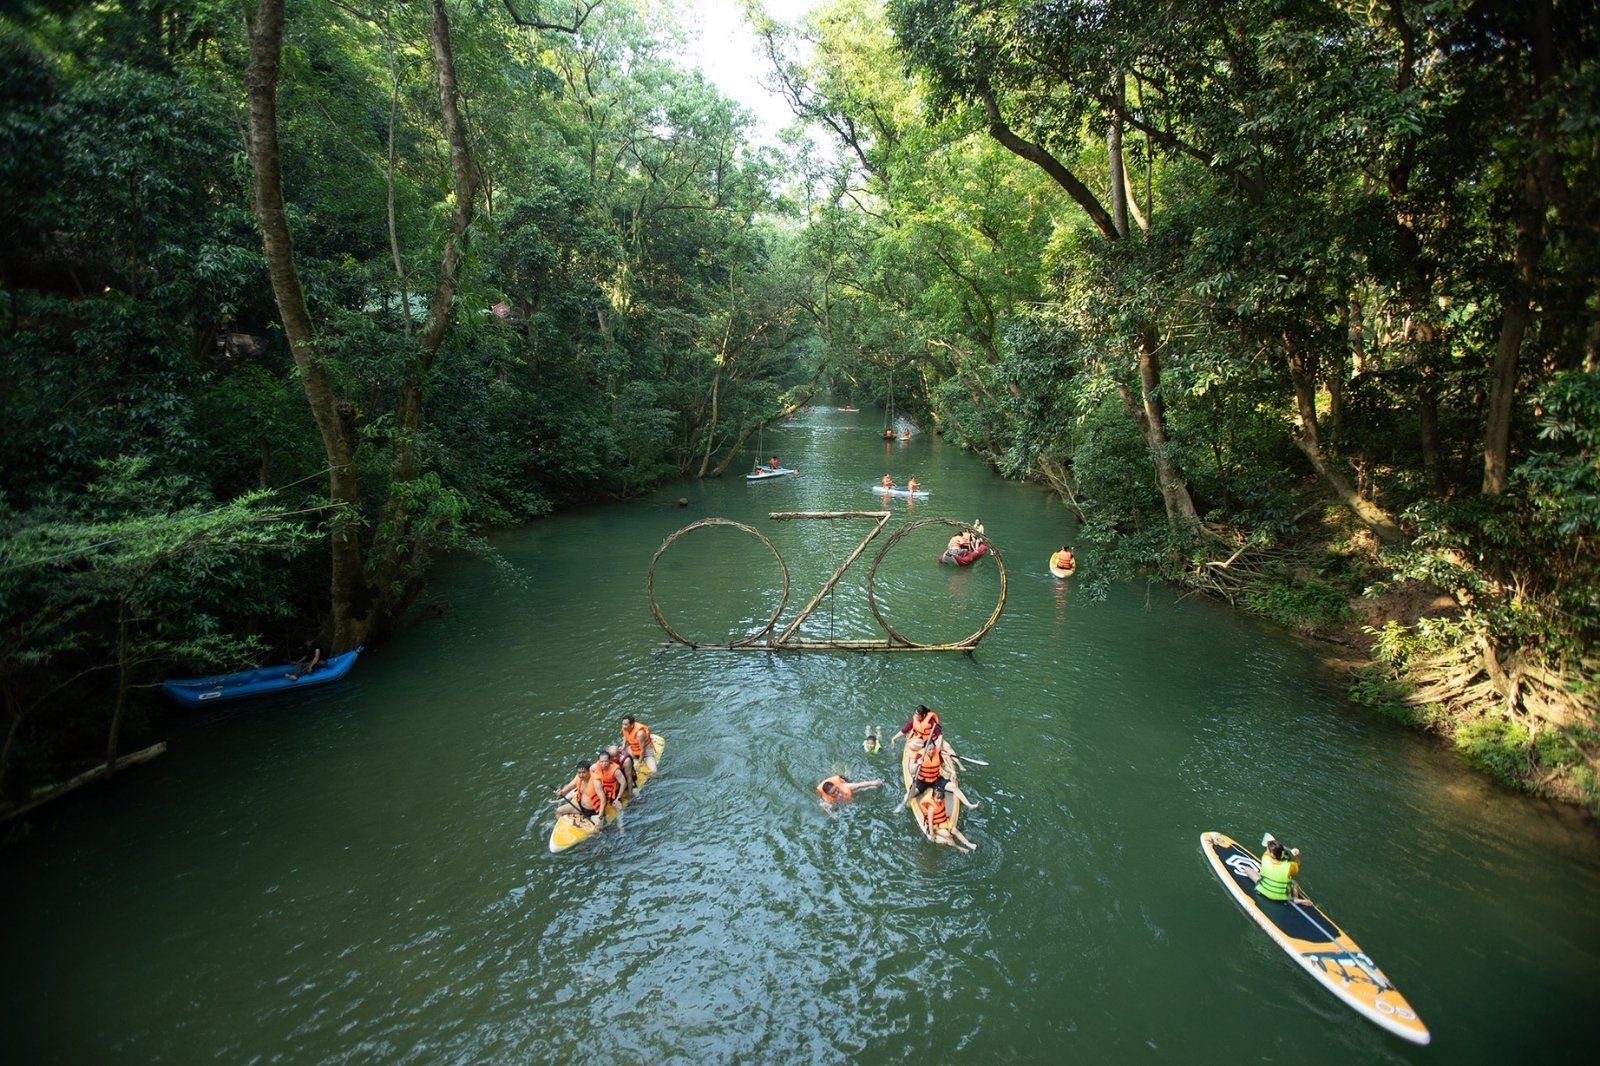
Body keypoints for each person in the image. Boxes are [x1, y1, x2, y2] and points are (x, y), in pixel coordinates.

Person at [917, 786, 978, 851]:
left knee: (955, 830)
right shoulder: (931, 807)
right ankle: (959, 848)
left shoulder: (941, 801)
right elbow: (930, 821)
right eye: (937, 798)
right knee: (947, 835)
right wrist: (932, 833)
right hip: (935, 826)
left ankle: (969, 844)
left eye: (941, 798)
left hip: (943, 822)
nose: (939, 800)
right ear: (933, 797)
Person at [554, 760, 606, 830]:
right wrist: (562, 792)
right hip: (581, 807)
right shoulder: (579, 777)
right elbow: (569, 786)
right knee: (558, 811)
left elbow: (603, 800)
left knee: (597, 828)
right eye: (579, 773)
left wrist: (600, 817)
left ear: (589, 771)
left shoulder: (596, 782)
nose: (581, 775)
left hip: (594, 812)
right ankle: (560, 829)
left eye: (584, 772)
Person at [1249, 834, 1302, 902]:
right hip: (1282, 897)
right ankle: (1296, 899)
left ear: (1272, 854)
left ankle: (1262, 885)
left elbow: (1276, 851)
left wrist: (1275, 845)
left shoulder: (1265, 858)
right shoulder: (1290, 866)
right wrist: (1297, 856)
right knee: (1294, 882)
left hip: (1263, 891)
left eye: (1268, 849)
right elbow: (1299, 865)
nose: (1267, 850)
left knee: (1247, 869)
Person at [816, 774, 883, 807]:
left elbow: (860, 785)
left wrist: (874, 783)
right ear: (829, 794)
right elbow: (824, 806)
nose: (837, 792)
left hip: (843, 779)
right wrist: (832, 814)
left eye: (836, 789)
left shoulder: (845, 786)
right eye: (833, 792)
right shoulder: (828, 799)